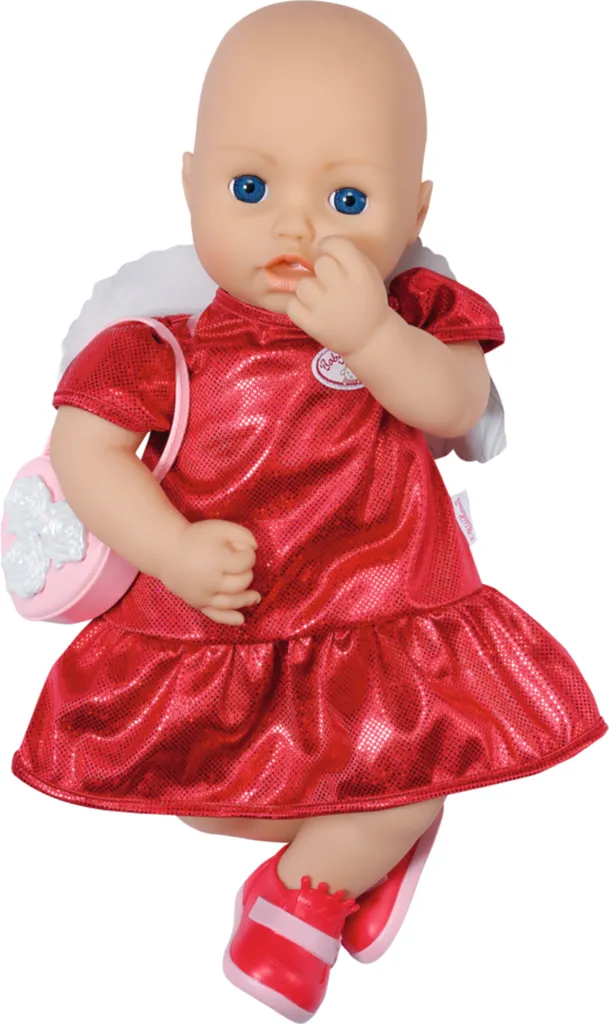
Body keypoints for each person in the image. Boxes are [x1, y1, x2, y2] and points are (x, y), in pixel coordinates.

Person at [9, 3, 607, 1021]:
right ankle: (365, 839)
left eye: (348, 197)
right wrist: (170, 546)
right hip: (225, 627)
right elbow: (85, 450)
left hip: (386, 615)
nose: (297, 226)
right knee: (205, 802)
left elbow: (458, 405)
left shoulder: (412, 314)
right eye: (250, 188)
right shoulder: (158, 343)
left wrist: (373, 336)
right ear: (190, 185)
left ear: (414, 209)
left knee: (416, 762)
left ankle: (304, 898)